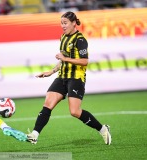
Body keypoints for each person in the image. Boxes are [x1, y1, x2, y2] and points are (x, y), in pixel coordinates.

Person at [27, 11, 111, 145]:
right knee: (48, 104)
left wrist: (65, 58)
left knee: (75, 112)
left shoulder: (80, 40)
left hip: (76, 78)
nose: (63, 26)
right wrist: (52, 71)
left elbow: (84, 61)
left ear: (73, 23)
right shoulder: (63, 37)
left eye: (65, 23)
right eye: (61, 23)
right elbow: (62, 59)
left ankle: (102, 129)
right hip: (62, 77)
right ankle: (34, 135)